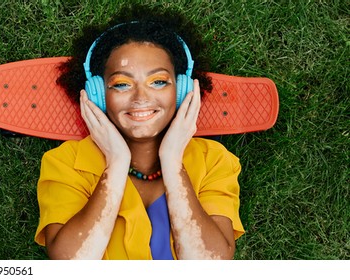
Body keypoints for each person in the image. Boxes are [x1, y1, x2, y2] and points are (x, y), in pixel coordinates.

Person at [35, 5, 245, 260]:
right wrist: (116, 163)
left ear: (181, 90)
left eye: (158, 81)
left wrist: (172, 161)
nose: (140, 98)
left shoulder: (215, 161)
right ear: (98, 94)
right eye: (122, 85)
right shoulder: (64, 162)